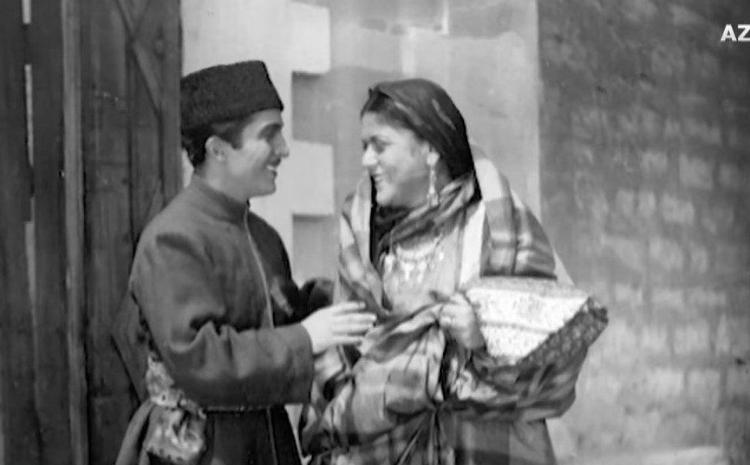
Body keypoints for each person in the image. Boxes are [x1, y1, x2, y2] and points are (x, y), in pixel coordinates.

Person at [301, 78, 589, 465]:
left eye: (380, 145)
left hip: (484, 447)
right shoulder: (365, 240)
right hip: (387, 451)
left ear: (430, 150)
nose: (367, 160)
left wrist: (486, 331)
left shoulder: (494, 229)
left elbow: (562, 336)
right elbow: (346, 355)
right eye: (364, 147)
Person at [112, 60, 375, 465]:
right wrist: (305, 338)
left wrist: (335, 303)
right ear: (217, 150)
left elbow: (276, 317)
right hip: (199, 448)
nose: (284, 149)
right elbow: (199, 359)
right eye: (269, 135)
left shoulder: (262, 236)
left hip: (267, 442)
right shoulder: (173, 239)